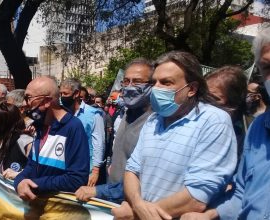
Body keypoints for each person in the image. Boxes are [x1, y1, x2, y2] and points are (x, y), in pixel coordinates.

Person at [112, 51, 237, 220]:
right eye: (154, 82)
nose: (156, 88)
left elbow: (197, 197)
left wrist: (136, 214)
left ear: (191, 89)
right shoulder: (154, 120)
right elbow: (132, 170)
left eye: (166, 82)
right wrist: (137, 203)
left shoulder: (214, 121)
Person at [181, 28, 270, 220]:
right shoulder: (258, 130)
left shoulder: (241, 130)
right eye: (268, 68)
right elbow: (241, 194)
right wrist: (212, 215)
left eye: (213, 99)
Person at [75, 58, 154, 204]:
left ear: (152, 85)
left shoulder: (154, 123)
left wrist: (99, 190)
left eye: (137, 82)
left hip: (134, 206)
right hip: (114, 201)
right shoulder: (127, 114)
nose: (129, 87)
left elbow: (150, 182)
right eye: (126, 81)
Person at [14, 76, 89, 201]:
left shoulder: (73, 127)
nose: (24, 104)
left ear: (47, 101)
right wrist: (19, 182)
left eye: (28, 98)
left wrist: (35, 184)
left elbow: (77, 179)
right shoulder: (39, 127)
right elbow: (31, 166)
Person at [59, 78, 106, 186]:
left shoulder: (93, 114)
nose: (62, 97)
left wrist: (95, 171)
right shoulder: (61, 113)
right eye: (60, 93)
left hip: (85, 169)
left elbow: (98, 143)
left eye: (65, 93)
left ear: (76, 94)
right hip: (63, 167)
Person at [205, 66, 248, 158]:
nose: (203, 102)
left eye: (212, 98)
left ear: (234, 103)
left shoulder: (248, 131)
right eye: (203, 95)